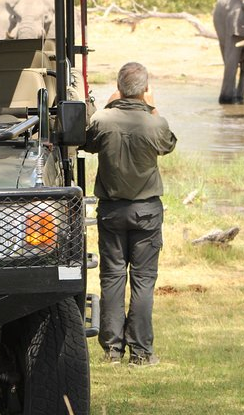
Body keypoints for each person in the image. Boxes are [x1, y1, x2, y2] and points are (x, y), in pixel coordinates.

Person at [82, 62, 177, 366]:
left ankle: (112, 349)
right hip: (146, 211)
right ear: (146, 90)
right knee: (144, 280)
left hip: (111, 210)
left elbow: (87, 142)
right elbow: (168, 144)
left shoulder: (102, 118)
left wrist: (110, 103)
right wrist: (153, 109)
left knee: (111, 278)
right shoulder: (155, 123)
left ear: (119, 88)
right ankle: (140, 352)